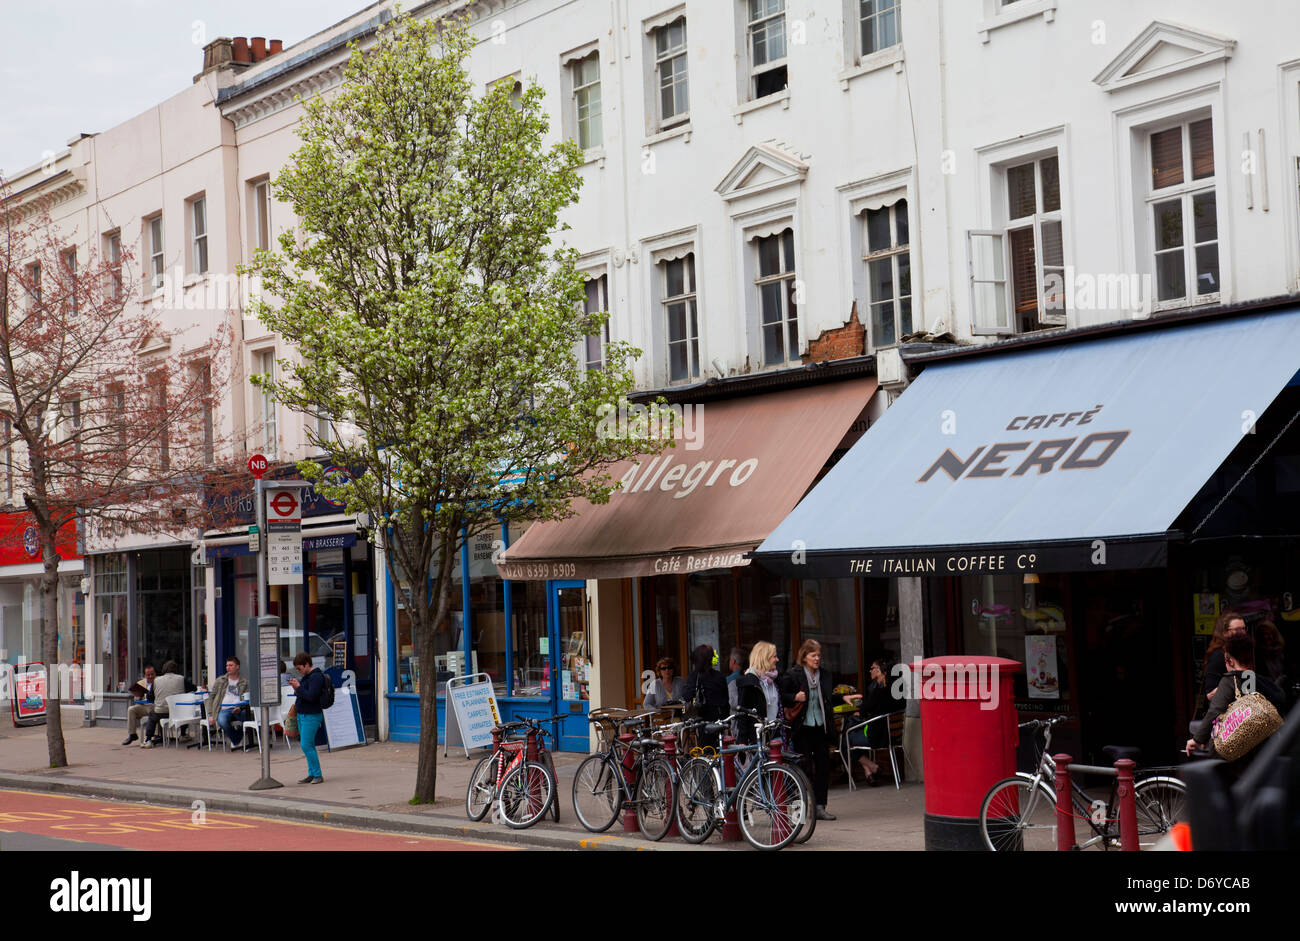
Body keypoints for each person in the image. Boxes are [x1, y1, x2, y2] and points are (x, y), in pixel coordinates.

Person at [781, 639, 860, 820]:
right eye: (813, 655)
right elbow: (782, 697)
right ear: (804, 656)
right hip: (802, 728)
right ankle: (801, 805)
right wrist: (794, 696)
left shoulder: (824, 675)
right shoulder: (794, 675)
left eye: (819, 655)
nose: (817, 659)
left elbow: (828, 697)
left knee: (823, 766)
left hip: (820, 727)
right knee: (804, 767)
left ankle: (819, 806)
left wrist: (843, 699)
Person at [1186, 634, 1286, 769]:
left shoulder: (1230, 681)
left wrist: (1197, 739)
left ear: (1230, 661)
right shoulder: (1259, 680)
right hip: (1263, 752)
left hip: (1236, 754)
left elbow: (1215, 710)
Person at [846, 656, 904, 786]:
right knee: (854, 733)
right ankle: (869, 772)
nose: (870, 671)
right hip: (893, 736)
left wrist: (858, 710)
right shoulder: (898, 691)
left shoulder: (879, 691)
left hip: (877, 737)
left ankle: (872, 767)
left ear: (879, 671)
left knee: (846, 738)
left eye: (872, 668)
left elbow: (864, 710)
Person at [288, 652, 327, 783]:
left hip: (311, 715)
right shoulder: (307, 677)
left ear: (306, 664)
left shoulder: (316, 677)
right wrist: (296, 688)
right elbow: (304, 694)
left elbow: (311, 696)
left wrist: (298, 687)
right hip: (303, 714)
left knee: (306, 745)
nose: (299, 671)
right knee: (308, 745)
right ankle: (311, 773)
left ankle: (317, 774)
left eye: (299, 668)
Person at [142, 660, 197, 747]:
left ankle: (148, 739)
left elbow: (150, 697)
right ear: (176, 669)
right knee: (184, 708)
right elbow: (194, 688)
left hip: (160, 712)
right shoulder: (181, 679)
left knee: (152, 715)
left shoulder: (156, 680)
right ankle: (183, 734)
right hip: (177, 713)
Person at [206, 656, 250, 749]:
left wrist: (240, 708)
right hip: (224, 709)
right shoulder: (220, 680)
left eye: (231, 665)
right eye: (227, 665)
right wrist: (210, 714)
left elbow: (247, 698)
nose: (228, 667)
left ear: (237, 667)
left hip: (239, 708)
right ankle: (237, 739)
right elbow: (211, 697)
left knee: (249, 717)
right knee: (222, 721)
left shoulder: (244, 682)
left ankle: (239, 737)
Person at [1203, 610, 1247, 702]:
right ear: (1224, 633)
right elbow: (1210, 695)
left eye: (1244, 628)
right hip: (1226, 713)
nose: (1243, 633)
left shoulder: (1242, 653)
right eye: (1238, 629)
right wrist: (1234, 681)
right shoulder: (1218, 656)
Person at [681, 645, 729, 722]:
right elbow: (725, 701)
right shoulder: (719, 676)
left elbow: (687, 696)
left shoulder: (694, 676)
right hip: (719, 718)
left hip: (701, 718)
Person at [121, 664, 156, 746]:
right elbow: (135, 699)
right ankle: (132, 734)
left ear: (155, 674)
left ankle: (155, 735)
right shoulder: (140, 683)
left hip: (154, 705)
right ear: (145, 675)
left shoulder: (158, 682)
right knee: (131, 709)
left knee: (153, 710)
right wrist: (138, 696)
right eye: (148, 675)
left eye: (152, 674)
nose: (150, 676)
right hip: (143, 706)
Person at [725, 646, 746, 714]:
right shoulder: (747, 676)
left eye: (730, 660)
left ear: (733, 661)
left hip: (735, 716)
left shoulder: (729, 680)